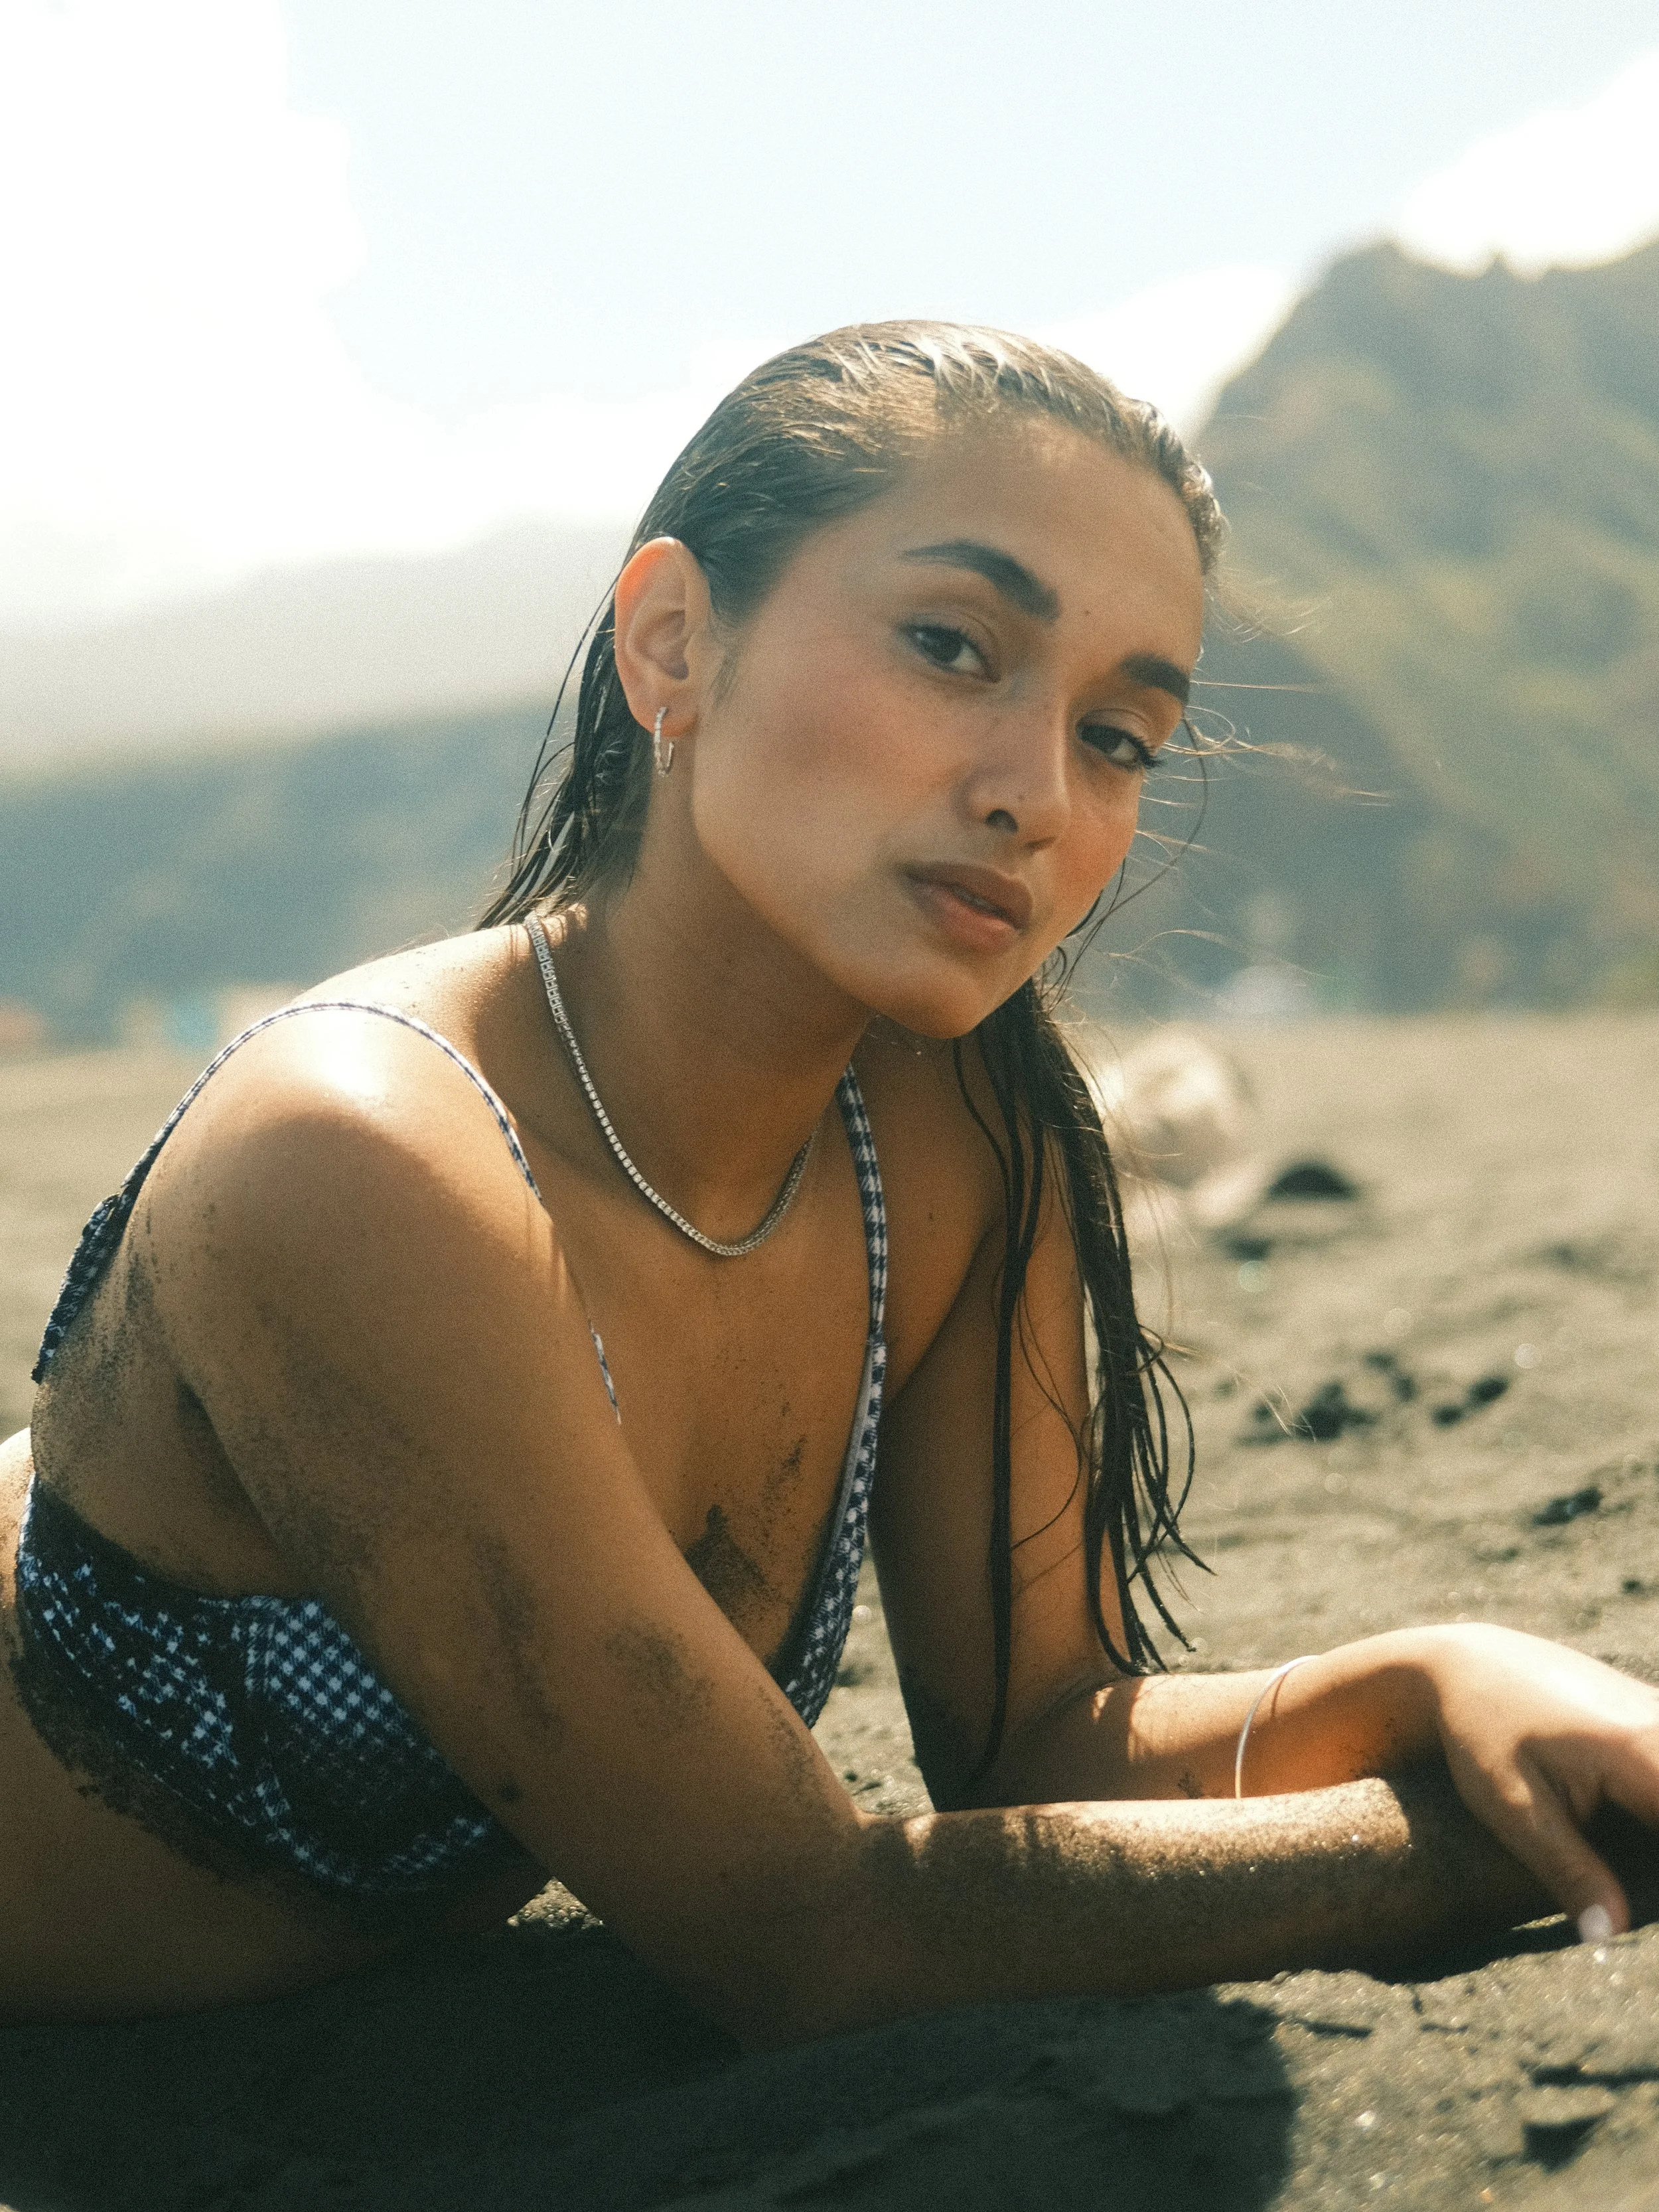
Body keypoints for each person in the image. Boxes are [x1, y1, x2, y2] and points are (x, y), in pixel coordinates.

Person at [2, 324, 1655, 2039]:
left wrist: (1439, 1677)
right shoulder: (353, 1160)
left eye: (1117, 735)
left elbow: (1042, 1726)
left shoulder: (942, 1138)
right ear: (672, 641)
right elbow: (807, 1929)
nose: (1032, 792)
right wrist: (1474, 1854)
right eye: (954, 646)